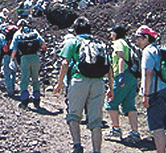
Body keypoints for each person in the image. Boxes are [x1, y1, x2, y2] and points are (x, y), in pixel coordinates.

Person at [53, 17, 114, 153]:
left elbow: (65, 63)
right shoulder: (99, 43)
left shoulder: (72, 42)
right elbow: (109, 67)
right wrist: (111, 87)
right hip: (98, 82)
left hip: (79, 80)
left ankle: (77, 146)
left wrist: (59, 83)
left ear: (75, 30)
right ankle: (96, 150)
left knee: (73, 115)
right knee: (96, 120)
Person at [135, 25, 166, 153]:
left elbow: (147, 74)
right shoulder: (161, 50)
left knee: (157, 128)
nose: (137, 42)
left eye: (139, 38)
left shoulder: (148, 51)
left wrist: (146, 96)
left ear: (146, 37)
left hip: (156, 93)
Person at [105, 25, 140, 142]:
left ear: (116, 33)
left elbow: (121, 58)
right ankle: (134, 132)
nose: (110, 36)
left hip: (123, 74)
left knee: (111, 101)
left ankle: (116, 128)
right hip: (132, 76)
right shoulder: (127, 43)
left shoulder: (119, 42)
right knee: (129, 105)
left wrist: (120, 76)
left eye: (112, 33)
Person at [10, 19, 46, 109]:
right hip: (35, 57)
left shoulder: (18, 34)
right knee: (35, 79)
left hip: (24, 58)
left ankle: (24, 101)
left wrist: (12, 59)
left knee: (24, 79)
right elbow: (43, 44)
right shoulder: (34, 32)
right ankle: (36, 100)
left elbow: (14, 48)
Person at [0, 23, 18, 97]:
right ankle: (12, 86)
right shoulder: (15, 34)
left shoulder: (1, 35)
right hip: (15, 54)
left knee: (7, 73)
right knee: (13, 72)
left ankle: (10, 91)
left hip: (6, 55)